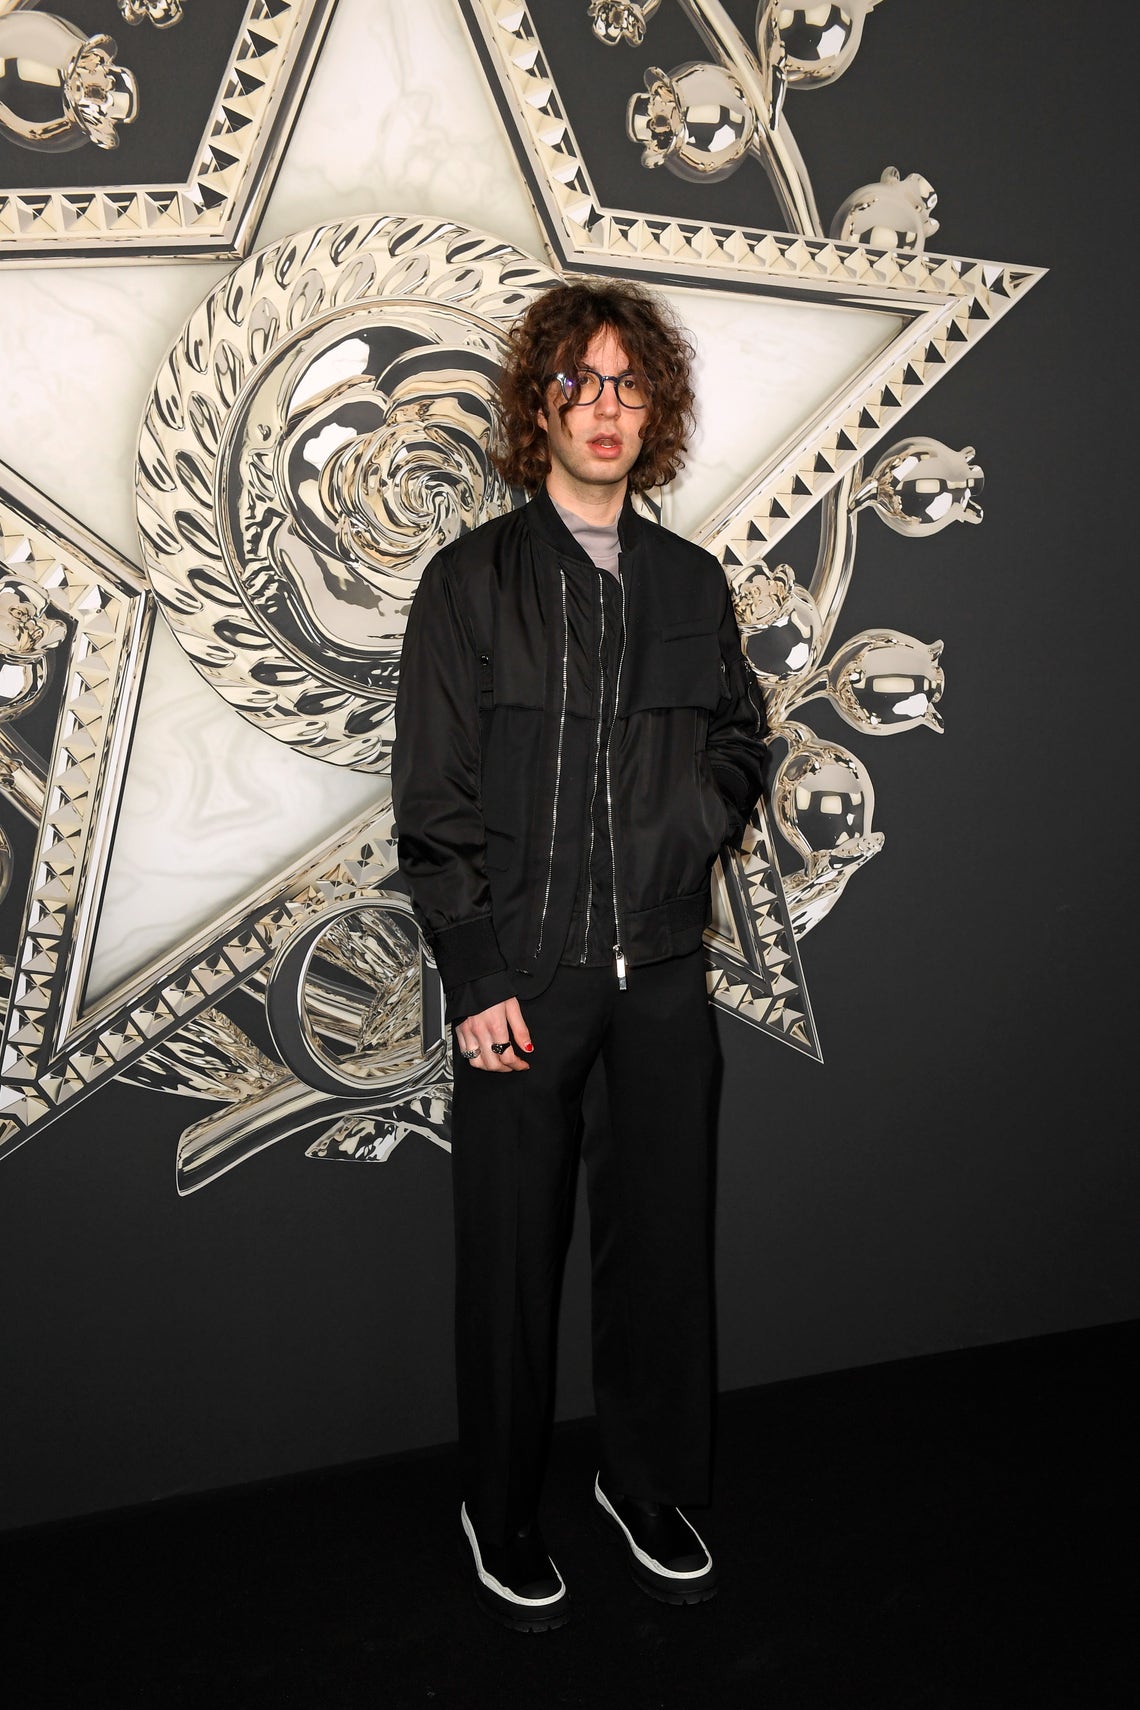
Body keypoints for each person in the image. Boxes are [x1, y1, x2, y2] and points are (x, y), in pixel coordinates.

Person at [391, 278, 769, 1631]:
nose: (605, 406)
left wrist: (686, 820)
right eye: (579, 382)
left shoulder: (689, 580)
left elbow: (742, 737)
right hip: (529, 980)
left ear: (653, 409)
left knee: (661, 1249)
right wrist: (476, 972)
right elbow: (431, 800)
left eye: (628, 383)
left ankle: (645, 1479)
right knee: (510, 1263)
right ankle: (497, 1506)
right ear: (537, 406)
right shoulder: (472, 582)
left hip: (661, 974)